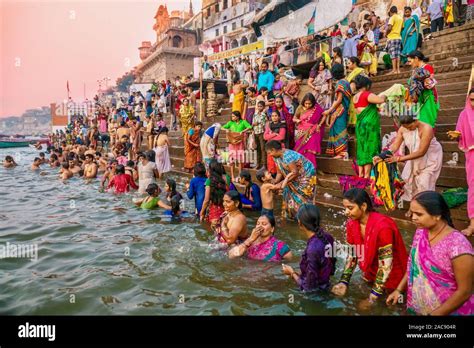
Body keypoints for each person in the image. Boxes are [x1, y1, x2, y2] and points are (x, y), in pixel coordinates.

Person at [386, 191, 473, 315]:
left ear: (437, 215)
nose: (413, 218)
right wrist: (398, 290)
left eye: (419, 214)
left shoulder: (458, 245)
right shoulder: (421, 232)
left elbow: (465, 291)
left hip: (448, 310)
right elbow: (413, 265)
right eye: (412, 213)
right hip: (418, 306)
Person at [332, 189, 408, 310]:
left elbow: (385, 266)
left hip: (394, 278)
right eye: (345, 208)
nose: (346, 212)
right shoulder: (352, 224)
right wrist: (343, 281)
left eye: (350, 208)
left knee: (391, 307)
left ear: (363, 206)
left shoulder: (383, 227)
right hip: (371, 273)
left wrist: (371, 298)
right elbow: (352, 255)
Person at [374, 113, 443, 202]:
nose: (408, 129)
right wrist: (382, 156)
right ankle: (415, 206)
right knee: (410, 182)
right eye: (406, 128)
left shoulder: (426, 128)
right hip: (413, 156)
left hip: (430, 157)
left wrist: (398, 159)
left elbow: (421, 152)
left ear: (416, 120)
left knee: (424, 183)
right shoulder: (403, 129)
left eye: (410, 127)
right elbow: (395, 146)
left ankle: (427, 208)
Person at [282, 204, 336, 291]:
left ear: (300, 222)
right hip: (326, 285)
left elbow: (308, 287)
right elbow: (332, 267)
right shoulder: (328, 237)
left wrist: (292, 273)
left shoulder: (312, 248)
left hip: (317, 295)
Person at [265, 141, 316, 218]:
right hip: (292, 177)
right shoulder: (275, 157)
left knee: (302, 196)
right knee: (287, 193)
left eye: (269, 153)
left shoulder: (287, 156)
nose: (269, 155)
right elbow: (279, 172)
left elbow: (295, 173)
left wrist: (281, 184)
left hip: (306, 175)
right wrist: (275, 182)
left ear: (273, 150)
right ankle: (291, 216)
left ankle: (305, 218)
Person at [448, 87, 474, 236]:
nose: (473, 103)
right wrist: (456, 136)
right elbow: (460, 133)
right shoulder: (464, 114)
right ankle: (472, 225)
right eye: (471, 100)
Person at [353, 75, 386, 178]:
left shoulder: (355, 97)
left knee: (361, 148)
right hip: (369, 126)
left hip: (360, 125)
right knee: (369, 148)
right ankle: (367, 176)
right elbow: (381, 100)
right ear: (367, 85)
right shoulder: (366, 94)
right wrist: (385, 95)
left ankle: (361, 174)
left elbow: (363, 108)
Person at [322, 64, 352, 159]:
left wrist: (329, 111)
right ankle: (340, 152)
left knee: (340, 130)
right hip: (344, 110)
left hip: (340, 111)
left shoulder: (340, 84)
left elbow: (339, 100)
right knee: (339, 130)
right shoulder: (346, 82)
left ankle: (343, 153)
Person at [407, 50, 439, 128]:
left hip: (428, 98)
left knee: (426, 122)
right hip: (419, 99)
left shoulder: (427, 67)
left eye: (410, 61)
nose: (409, 63)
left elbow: (429, 84)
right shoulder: (415, 70)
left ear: (416, 58)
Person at [293, 93, 324, 170]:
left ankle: (310, 169)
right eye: (306, 103)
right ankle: (300, 168)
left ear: (313, 103)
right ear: (303, 102)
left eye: (309, 104)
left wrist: (319, 125)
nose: (307, 105)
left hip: (312, 132)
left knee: (310, 151)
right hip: (301, 132)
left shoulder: (317, 108)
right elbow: (294, 118)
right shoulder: (300, 108)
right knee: (299, 149)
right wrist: (297, 120)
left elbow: (324, 115)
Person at [222, 111, 252, 180]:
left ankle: (240, 175)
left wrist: (243, 131)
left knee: (240, 160)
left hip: (240, 143)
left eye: (234, 116)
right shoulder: (230, 123)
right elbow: (222, 127)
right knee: (231, 160)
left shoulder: (243, 122)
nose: (232, 118)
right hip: (232, 143)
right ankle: (232, 176)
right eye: (232, 116)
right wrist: (227, 130)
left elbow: (250, 126)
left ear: (238, 116)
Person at [200, 159, 228, 226]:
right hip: (226, 209)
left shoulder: (209, 181)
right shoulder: (226, 178)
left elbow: (206, 200)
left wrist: (202, 213)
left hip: (214, 210)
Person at [386, 6, 404, 74]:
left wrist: (386, 33)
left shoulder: (392, 17)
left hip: (392, 37)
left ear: (391, 12)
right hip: (398, 38)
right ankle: (398, 70)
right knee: (398, 54)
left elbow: (389, 27)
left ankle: (394, 70)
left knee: (393, 54)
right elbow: (402, 28)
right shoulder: (400, 18)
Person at [252, 101, 267, 171]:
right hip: (255, 133)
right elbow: (253, 124)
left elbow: (260, 122)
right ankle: (258, 164)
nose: (259, 107)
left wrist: (256, 123)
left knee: (263, 149)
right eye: (258, 106)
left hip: (262, 133)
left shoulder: (264, 114)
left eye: (261, 106)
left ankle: (264, 165)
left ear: (263, 107)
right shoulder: (254, 114)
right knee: (257, 149)